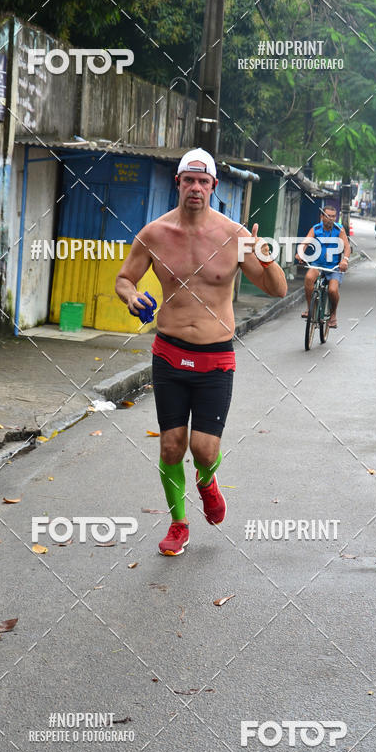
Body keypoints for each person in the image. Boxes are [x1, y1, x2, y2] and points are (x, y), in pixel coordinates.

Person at [115, 148, 287, 556]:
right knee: (172, 445)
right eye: (188, 180)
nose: (196, 187)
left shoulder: (234, 235)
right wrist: (131, 296)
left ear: (213, 186)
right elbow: (124, 278)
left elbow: (277, 289)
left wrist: (265, 255)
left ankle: (207, 481)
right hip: (169, 353)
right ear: (178, 183)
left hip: (215, 358)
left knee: (203, 449)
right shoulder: (154, 234)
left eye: (203, 181)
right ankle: (178, 523)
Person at [297, 205, 350, 329]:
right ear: (322, 217)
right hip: (317, 264)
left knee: (332, 290)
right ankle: (310, 309)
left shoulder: (339, 229)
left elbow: (347, 247)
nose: (331, 219)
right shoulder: (315, 229)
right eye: (328, 216)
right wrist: (300, 253)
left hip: (334, 267)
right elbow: (305, 242)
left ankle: (333, 315)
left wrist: (345, 260)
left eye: (333, 216)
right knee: (309, 278)